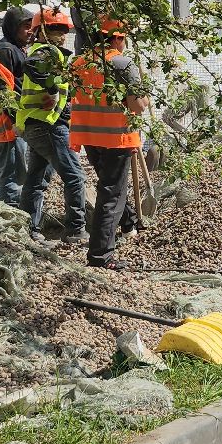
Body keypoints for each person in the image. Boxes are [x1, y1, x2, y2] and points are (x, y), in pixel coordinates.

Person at [67, 17, 150, 270]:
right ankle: (101, 256)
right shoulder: (123, 64)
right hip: (116, 138)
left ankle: (129, 222)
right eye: (123, 38)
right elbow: (136, 107)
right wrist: (145, 98)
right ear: (117, 38)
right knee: (111, 195)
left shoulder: (78, 63)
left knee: (109, 189)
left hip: (89, 137)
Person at [14, 8, 87, 246]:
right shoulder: (47, 52)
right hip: (48, 125)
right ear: (42, 31)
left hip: (37, 124)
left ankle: (28, 230)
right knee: (75, 176)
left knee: (36, 180)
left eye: (64, 30)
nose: (62, 34)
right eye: (56, 29)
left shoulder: (53, 53)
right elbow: (31, 66)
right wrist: (53, 88)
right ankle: (76, 230)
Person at [0, 6, 36, 207]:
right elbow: (1, 92)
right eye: (26, 26)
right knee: (14, 174)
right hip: (8, 125)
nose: (30, 31)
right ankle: (10, 218)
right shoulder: (5, 50)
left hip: (2, 123)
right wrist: (17, 121)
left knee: (1, 169)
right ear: (13, 27)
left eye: (33, 27)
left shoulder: (15, 49)